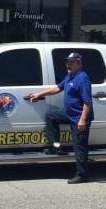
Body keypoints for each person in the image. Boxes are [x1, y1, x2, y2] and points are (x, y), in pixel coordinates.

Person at [25, 52, 94, 184]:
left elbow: (87, 102)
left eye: (71, 62)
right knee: (51, 116)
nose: (68, 64)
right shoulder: (70, 76)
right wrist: (39, 94)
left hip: (79, 118)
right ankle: (56, 146)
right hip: (70, 114)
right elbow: (57, 88)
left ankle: (82, 174)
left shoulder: (82, 79)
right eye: (67, 62)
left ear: (79, 63)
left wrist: (82, 120)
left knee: (79, 147)